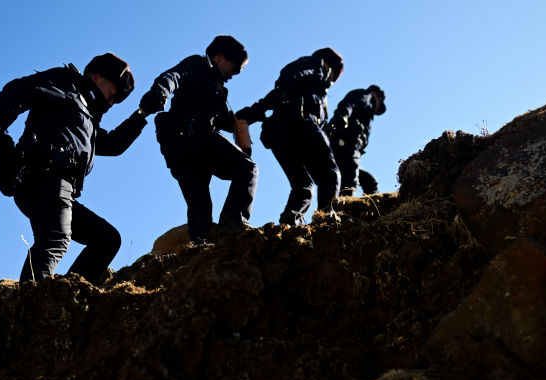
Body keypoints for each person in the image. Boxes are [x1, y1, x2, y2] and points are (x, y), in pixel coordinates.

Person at [0, 53, 147, 285]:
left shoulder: (86, 120)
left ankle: (69, 296)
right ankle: (32, 307)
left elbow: (113, 145)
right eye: (112, 94)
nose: (110, 103)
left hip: (58, 188)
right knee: (54, 239)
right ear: (97, 77)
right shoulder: (67, 83)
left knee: (107, 239)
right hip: (44, 178)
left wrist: (142, 114)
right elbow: (18, 89)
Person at [139, 35, 258, 243]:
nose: (234, 74)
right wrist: (159, 92)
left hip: (180, 150)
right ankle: (232, 225)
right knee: (247, 169)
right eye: (234, 67)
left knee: (200, 204)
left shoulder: (218, 87)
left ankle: (200, 248)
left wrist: (248, 118)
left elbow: (222, 121)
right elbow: (173, 76)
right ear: (220, 56)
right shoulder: (198, 65)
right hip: (192, 138)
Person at [237, 47, 344, 225]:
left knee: (303, 186)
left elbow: (273, 97)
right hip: (300, 124)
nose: (329, 83)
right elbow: (289, 78)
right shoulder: (315, 65)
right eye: (332, 78)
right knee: (329, 175)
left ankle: (289, 224)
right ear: (328, 65)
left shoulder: (309, 94)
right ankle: (327, 224)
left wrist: (251, 114)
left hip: (279, 135)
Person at [328, 85, 386, 196]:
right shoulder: (366, 96)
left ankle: (373, 209)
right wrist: (342, 117)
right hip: (348, 144)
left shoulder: (367, 111)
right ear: (376, 94)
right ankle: (345, 210)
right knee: (349, 180)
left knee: (369, 182)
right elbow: (349, 104)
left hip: (349, 147)